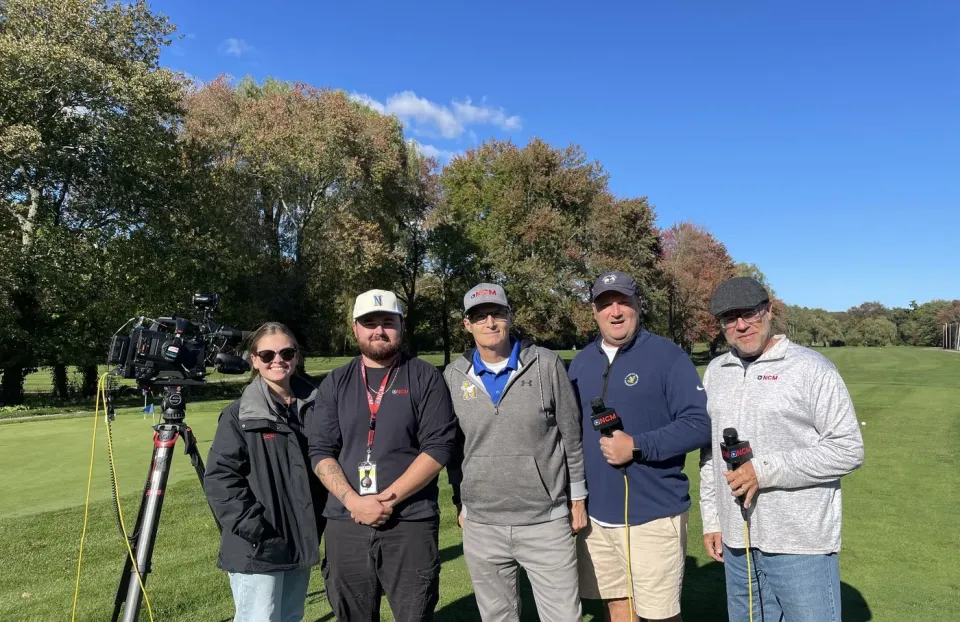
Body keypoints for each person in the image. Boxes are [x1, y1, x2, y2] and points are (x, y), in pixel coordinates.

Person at [699, 277, 865, 622]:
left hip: (798, 542)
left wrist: (763, 471)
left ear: (769, 311)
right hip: (736, 541)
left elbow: (848, 448)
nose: (741, 325)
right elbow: (710, 455)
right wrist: (713, 519)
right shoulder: (716, 372)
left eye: (749, 314)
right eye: (730, 319)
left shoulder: (811, 369)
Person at [567, 270, 711, 622]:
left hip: (654, 514)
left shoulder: (667, 356)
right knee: (616, 607)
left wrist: (638, 446)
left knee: (658, 616)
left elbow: (699, 425)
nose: (615, 312)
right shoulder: (581, 362)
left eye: (623, 302)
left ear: (637, 305)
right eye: (605, 304)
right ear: (594, 312)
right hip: (596, 517)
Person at [307, 289, 457, 622]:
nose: (379, 330)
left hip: (410, 521)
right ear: (355, 328)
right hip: (346, 523)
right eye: (369, 322)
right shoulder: (336, 382)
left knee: (414, 615)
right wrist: (354, 502)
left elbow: (438, 447)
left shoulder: (424, 376)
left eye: (387, 322)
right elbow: (320, 451)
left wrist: (385, 500)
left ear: (401, 325)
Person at [444, 283, 588, 622]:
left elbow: (571, 434)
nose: (490, 323)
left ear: (510, 317)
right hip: (482, 525)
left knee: (564, 617)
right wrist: (461, 502)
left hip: (546, 520)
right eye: (479, 316)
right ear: (467, 324)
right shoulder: (453, 375)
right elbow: (452, 450)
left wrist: (577, 498)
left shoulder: (546, 364)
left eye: (498, 314)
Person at [204, 322, 326, 622]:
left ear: (296, 356)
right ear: (254, 360)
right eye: (267, 354)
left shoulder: (318, 404)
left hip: (301, 539)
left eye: (286, 352)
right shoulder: (239, 415)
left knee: (290, 617)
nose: (278, 360)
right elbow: (221, 479)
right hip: (259, 546)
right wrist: (256, 528)